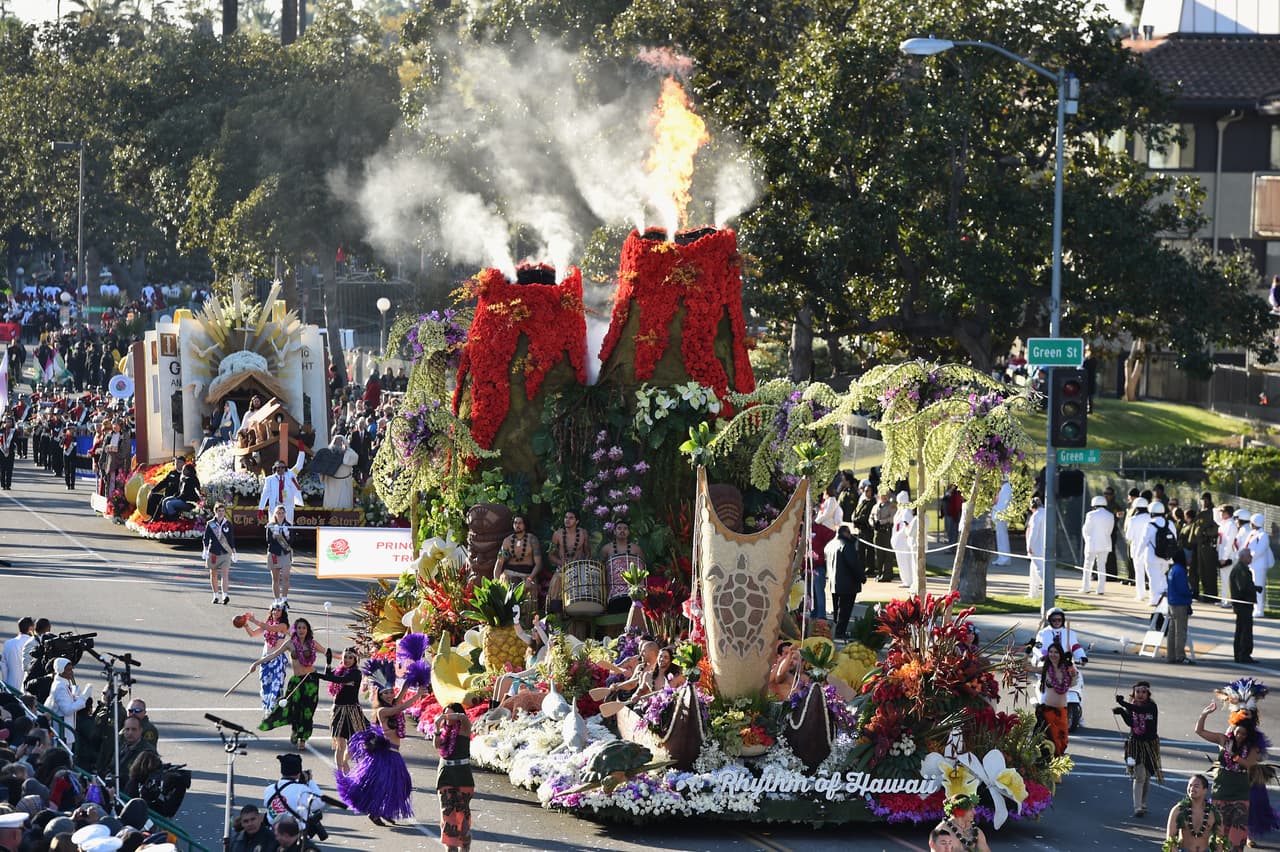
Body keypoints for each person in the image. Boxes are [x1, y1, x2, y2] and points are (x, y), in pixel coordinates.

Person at [336, 683, 416, 827]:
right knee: (384, 786)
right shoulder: (382, 711)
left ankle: (384, 811)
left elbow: (401, 695)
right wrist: (417, 696)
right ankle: (375, 812)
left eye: (391, 692)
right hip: (385, 755)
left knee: (402, 786)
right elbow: (400, 707)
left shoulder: (392, 706)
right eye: (386, 693)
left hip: (395, 755)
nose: (390, 695)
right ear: (380, 695)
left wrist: (410, 680)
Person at [1196, 699, 1262, 852]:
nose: (1240, 736)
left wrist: (1234, 756)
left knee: (1237, 840)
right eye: (1238, 732)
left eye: (1244, 734)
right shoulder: (1223, 740)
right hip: (1221, 792)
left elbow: (1250, 764)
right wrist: (1204, 714)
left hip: (1240, 796)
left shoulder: (1252, 747)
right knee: (1217, 835)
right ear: (1233, 729)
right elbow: (1199, 731)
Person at [255, 618, 327, 749]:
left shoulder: (313, 643)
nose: (301, 630)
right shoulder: (290, 644)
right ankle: (295, 730)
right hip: (297, 681)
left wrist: (347, 657)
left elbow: (327, 652)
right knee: (295, 709)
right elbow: (273, 655)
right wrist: (256, 663)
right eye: (299, 627)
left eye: (304, 628)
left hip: (311, 681)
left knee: (308, 712)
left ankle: (303, 739)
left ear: (307, 630)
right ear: (295, 629)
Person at [1114, 680, 1162, 818]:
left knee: (1147, 776)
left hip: (1150, 744)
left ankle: (1144, 802)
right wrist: (1122, 712)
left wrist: (1123, 703)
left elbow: (1141, 710)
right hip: (1135, 744)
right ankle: (1137, 807)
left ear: (1148, 694)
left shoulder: (1151, 706)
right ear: (1134, 693)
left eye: (1143, 692)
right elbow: (1130, 721)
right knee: (1139, 775)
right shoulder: (1132, 706)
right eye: (1138, 691)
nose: (1140, 694)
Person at [315, 648, 367, 774]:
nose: (347, 660)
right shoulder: (340, 670)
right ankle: (339, 772)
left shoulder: (355, 673)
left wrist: (318, 676)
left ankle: (344, 762)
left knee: (353, 743)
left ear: (355, 659)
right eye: (345, 657)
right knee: (340, 744)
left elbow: (340, 680)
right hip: (338, 710)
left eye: (350, 657)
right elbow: (330, 676)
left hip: (352, 711)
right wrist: (328, 663)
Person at [435, 702, 474, 852]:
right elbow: (436, 745)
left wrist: (448, 715)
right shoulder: (444, 731)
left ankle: (465, 844)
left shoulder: (464, 728)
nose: (446, 719)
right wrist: (437, 728)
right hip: (445, 775)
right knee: (447, 813)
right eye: (444, 715)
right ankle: (450, 847)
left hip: (462, 775)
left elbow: (464, 718)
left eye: (450, 715)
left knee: (462, 816)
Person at [242, 603, 291, 717]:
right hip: (265, 659)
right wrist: (246, 625)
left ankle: (272, 710)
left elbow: (271, 628)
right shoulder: (267, 624)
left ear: (283, 613)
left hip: (277, 659)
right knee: (265, 685)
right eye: (274, 610)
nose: (275, 612)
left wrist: (254, 620)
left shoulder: (283, 626)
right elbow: (253, 634)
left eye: (278, 610)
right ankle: (269, 707)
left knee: (276, 685)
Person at [262, 753, 325, 830]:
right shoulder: (303, 791)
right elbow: (320, 802)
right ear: (299, 772)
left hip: (273, 835)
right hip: (295, 835)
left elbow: (267, 805)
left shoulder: (269, 789)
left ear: (282, 771)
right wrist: (309, 781)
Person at [546, 509, 591, 613]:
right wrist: (560, 562)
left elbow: (588, 553)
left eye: (571, 518)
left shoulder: (583, 534)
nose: (567, 520)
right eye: (566, 517)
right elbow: (550, 555)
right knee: (556, 603)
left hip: (578, 573)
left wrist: (583, 566)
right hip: (561, 572)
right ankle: (557, 624)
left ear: (577, 521)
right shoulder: (557, 534)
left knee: (577, 605)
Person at [1165, 774, 1222, 852]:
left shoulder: (1214, 812)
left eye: (1196, 786)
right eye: (1190, 785)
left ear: (1205, 790)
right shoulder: (1178, 810)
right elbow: (1170, 837)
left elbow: (1220, 839)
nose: (1192, 788)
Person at [827, 524, 865, 641]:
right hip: (847, 583)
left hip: (835, 582)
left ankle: (836, 631)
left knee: (837, 610)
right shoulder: (847, 546)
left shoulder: (830, 545)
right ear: (846, 533)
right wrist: (861, 577)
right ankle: (840, 632)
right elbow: (853, 564)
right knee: (844, 610)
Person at [42, 658, 89, 747]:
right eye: (68, 670)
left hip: (65, 730)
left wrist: (76, 694)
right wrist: (83, 698)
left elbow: (68, 700)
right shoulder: (60, 686)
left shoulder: (63, 683)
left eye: (71, 669)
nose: (71, 672)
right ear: (61, 671)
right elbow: (67, 710)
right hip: (62, 732)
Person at [600, 520, 643, 614]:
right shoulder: (606, 549)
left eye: (625, 529)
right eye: (619, 528)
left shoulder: (636, 549)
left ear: (628, 532)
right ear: (614, 531)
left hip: (633, 593)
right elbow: (601, 569)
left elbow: (642, 569)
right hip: (613, 594)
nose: (622, 531)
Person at [494, 514, 543, 594]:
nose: (517, 525)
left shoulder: (532, 540)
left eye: (520, 523)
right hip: (508, 575)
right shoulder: (507, 541)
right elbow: (499, 562)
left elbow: (539, 564)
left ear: (525, 524)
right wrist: (496, 581)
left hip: (527, 576)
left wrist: (530, 579)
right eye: (515, 523)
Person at [1039, 641, 1073, 756]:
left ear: (1060, 654)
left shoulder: (1067, 670)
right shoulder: (1045, 669)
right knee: (1048, 743)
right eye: (1050, 652)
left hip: (1062, 710)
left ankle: (1056, 768)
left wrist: (1071, 665)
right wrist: (1028, 650)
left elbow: (1075, 678)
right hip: (1047, 711)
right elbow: (1025, 667)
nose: (1053, 654)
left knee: (1062, 742)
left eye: (1056, 652)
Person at [203, 503, 238, 605]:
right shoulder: (210, 524)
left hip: (225, 553)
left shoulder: (228, 524)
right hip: (213, 552)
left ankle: (225, 595)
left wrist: (234, 552)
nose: (221, 513)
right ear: (215, 512)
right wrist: (205, 550)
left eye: (223, 511)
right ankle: (215, 595)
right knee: (213, 575)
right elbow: (206, 538)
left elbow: (231, 539)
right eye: (219, 511)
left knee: (225, 574)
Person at [1229, 549, 1259, 664]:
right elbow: (1242, 587)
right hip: (1243, 604)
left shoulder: (1243, 569)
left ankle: (1240, 653)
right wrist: (1252, 592)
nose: (1250, 558)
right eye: (1248, 556)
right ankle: (1243, 654)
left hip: (1244, 604)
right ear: (1242, 557)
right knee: (1245, 630)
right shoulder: (1240, 570)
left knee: (1242, 629)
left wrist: (1255, 588)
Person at [1081, 495, 1113, 594]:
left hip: (1092, 544)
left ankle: (1086, 587)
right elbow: (1110, 530)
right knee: (1102, 566)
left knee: (1088, 566)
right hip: (1105, 544)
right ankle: (1101, 589)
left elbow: (1086, 530)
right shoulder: (1110, 515)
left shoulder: (1090, 515)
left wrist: (1087, 540)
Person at [315, 435, 358, 509]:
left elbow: (354, 459)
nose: (338, 443)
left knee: (344, 505)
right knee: (331, 505)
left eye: (340, 441)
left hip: (344, 484)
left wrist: (345, 451)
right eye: (336, 441)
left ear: (343, 442)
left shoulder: (349, 451)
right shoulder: (328, 452)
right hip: (331, 483)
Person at [1166, 550, 1193, 664]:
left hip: (1172, 603)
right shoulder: (1180, 571)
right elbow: (1182, 589)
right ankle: (1180, 655)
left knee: (1172, 631)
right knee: (1180, 631)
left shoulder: (1172, 569)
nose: (1190, 559)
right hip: (1180, 603)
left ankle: (1171, 655)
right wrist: (1191, 593)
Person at [258, 457, 305, 524]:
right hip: (275, 506)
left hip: (287, 507)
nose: (280, 469)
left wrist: (301, 451)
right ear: (275, 468)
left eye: (282, 467)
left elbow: (299, 465)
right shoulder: (269, 479)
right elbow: (265, 494)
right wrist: (261, 508)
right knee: (274, 528)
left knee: (287, 528)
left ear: (285, 469)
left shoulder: (290, 476)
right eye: (278, 467)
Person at [1244, 513, 1273, 618]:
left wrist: (1249, 558)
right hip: (1252, 564)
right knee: (1253, 587)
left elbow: (1259, 551)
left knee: (1259, 587)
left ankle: (1259, 610)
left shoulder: (1263, 535)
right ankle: (1254, 607)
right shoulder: (1252, 533)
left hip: (1259, 565)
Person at [265, 506, 294, 603]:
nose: (281, 515)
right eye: (279, 513)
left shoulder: (288, 525)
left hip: (285, 553)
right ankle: (277, 600)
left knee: (286, 577)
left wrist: (287, 535)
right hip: (274, 553)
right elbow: (268, 540)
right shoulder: (270, 525)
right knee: (275, 579)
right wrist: (274, 535)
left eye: (282, 513)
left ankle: (284, 600)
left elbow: (292, 541)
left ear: (285, 514)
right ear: (275, 514)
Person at [1126, 497, 1151, 601]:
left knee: (1139, 573)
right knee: (1150, 573)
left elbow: (1129, 536)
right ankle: (1154, 595)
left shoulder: (1133, 520)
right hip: (1149, 549)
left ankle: (1140, 594)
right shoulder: (1150, 518)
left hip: (1137, 549)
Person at [890, 491, 916, 590]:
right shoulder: (900, 511)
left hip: (903, 540)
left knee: (905, 561)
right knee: (901, 561)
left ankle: (909, 580)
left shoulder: (906, 511)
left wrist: (898, 535)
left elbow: (907, 526)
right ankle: (905, 580)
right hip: (898, 540)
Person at [1, 618, 35, 692]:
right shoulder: (33, 643)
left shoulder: (8, 643)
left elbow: (3, 666)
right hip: (27, 687)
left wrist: (5, 683)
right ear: (31, 628)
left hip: (11, 684)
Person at [1219, 505, 1241, 608]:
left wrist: (1224, 557)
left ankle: (1227, 601)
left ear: (1227, 513)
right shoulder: (1224, 523)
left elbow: (1229, 542)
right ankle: (1224, 599)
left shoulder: (1231, 525)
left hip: (1228, 555)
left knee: (1227, 578)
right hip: (1222, 554)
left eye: (1222, 511)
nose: (1220, 513)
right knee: (1223, 578)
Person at [872, 490, 896, 581]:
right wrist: (873, 523)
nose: (884, 497)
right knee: (879, 554)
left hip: (887, 531)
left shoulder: (891, 506)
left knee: (888, 554)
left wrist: (882, 522)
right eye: (882, 495)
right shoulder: (876, 506)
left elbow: (892, 517)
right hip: (878, 532)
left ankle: (887, 574)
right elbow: (871, 516)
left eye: (886, 495)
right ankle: (880, 573)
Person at [1026, 497, 1045, 598]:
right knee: (1033, 570)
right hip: (1044, 545)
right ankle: (1033, 593)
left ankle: (1053, 591)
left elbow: (1033, 532)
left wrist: (1029, 545)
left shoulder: (1036, 515)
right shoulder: (1046, 513)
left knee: (1039, 570)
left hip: (1037, 546)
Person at [992, 478, 1013, 566]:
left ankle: (1004, 558)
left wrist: (996, 512)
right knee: (1000, 537)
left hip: (1001, 516)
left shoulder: (1006, 488)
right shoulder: (1004, 488)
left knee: (1002, 537)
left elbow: (1002, 504)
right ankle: (1002, 557)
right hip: (1000, 516)